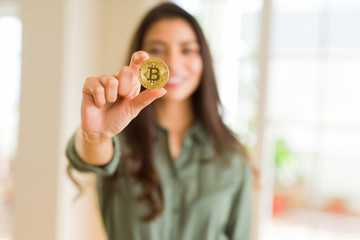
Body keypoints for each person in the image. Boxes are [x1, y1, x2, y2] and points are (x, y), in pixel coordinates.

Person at [66, 2, 253, 240]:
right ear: (141, 60)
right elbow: (86, 157)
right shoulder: (118, 137)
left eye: (187, 50)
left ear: (203, 59)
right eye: (157, 49)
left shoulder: (231, 153)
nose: (173, 64)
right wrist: (97, 136)